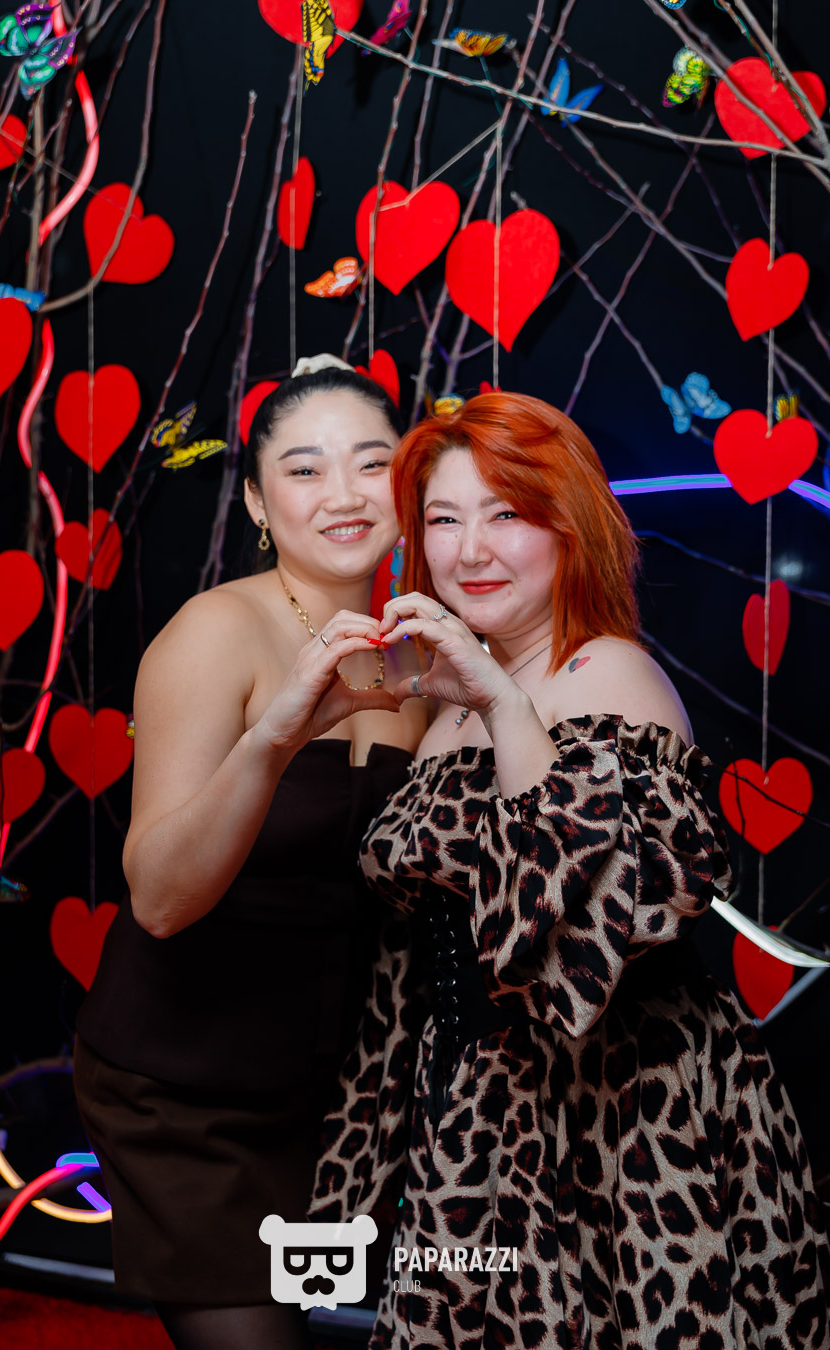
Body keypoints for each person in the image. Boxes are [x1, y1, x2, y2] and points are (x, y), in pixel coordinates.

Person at [309, 392, 830, 1348]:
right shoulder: (454, 699)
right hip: (471, 1111)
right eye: (444, 519)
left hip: (617, 1124)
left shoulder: (610, 675)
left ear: (569, 527)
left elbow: (580, 948)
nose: (471, 551)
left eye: (506, 513)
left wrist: (503, 704)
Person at [73, 357, 426, 1350]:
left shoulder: (423, 651)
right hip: (181, 1089)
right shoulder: (215, 632)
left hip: (332, 1100)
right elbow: (158, 899)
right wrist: (273, 737)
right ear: (261, 504)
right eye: (305, 470)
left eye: (371, 463)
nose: (344, 494)